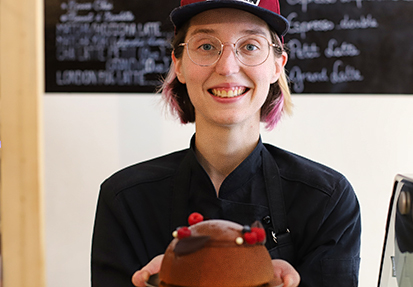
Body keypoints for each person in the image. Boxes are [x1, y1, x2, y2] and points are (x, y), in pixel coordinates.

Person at [91, 0, 361, 286]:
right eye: (206, 46)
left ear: (277, 66)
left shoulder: (327, 200)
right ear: (178, 65)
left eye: (250, 46)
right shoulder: (125, 200)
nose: (228, 67)